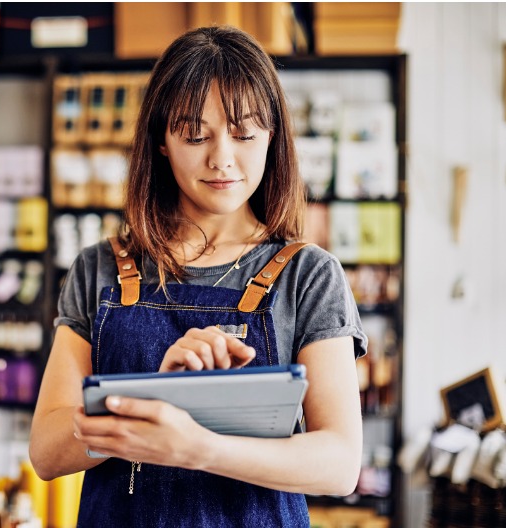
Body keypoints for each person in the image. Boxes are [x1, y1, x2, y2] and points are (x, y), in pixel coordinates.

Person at [29, 25, 367, 527]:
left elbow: (339, 464)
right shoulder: (99, 267)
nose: (222, 158)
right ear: (162, 141)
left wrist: (198, 447)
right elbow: (47, 452)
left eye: (244, 133)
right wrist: (152, 396)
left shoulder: (308, 275)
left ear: (272, 135)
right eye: (194, 135)